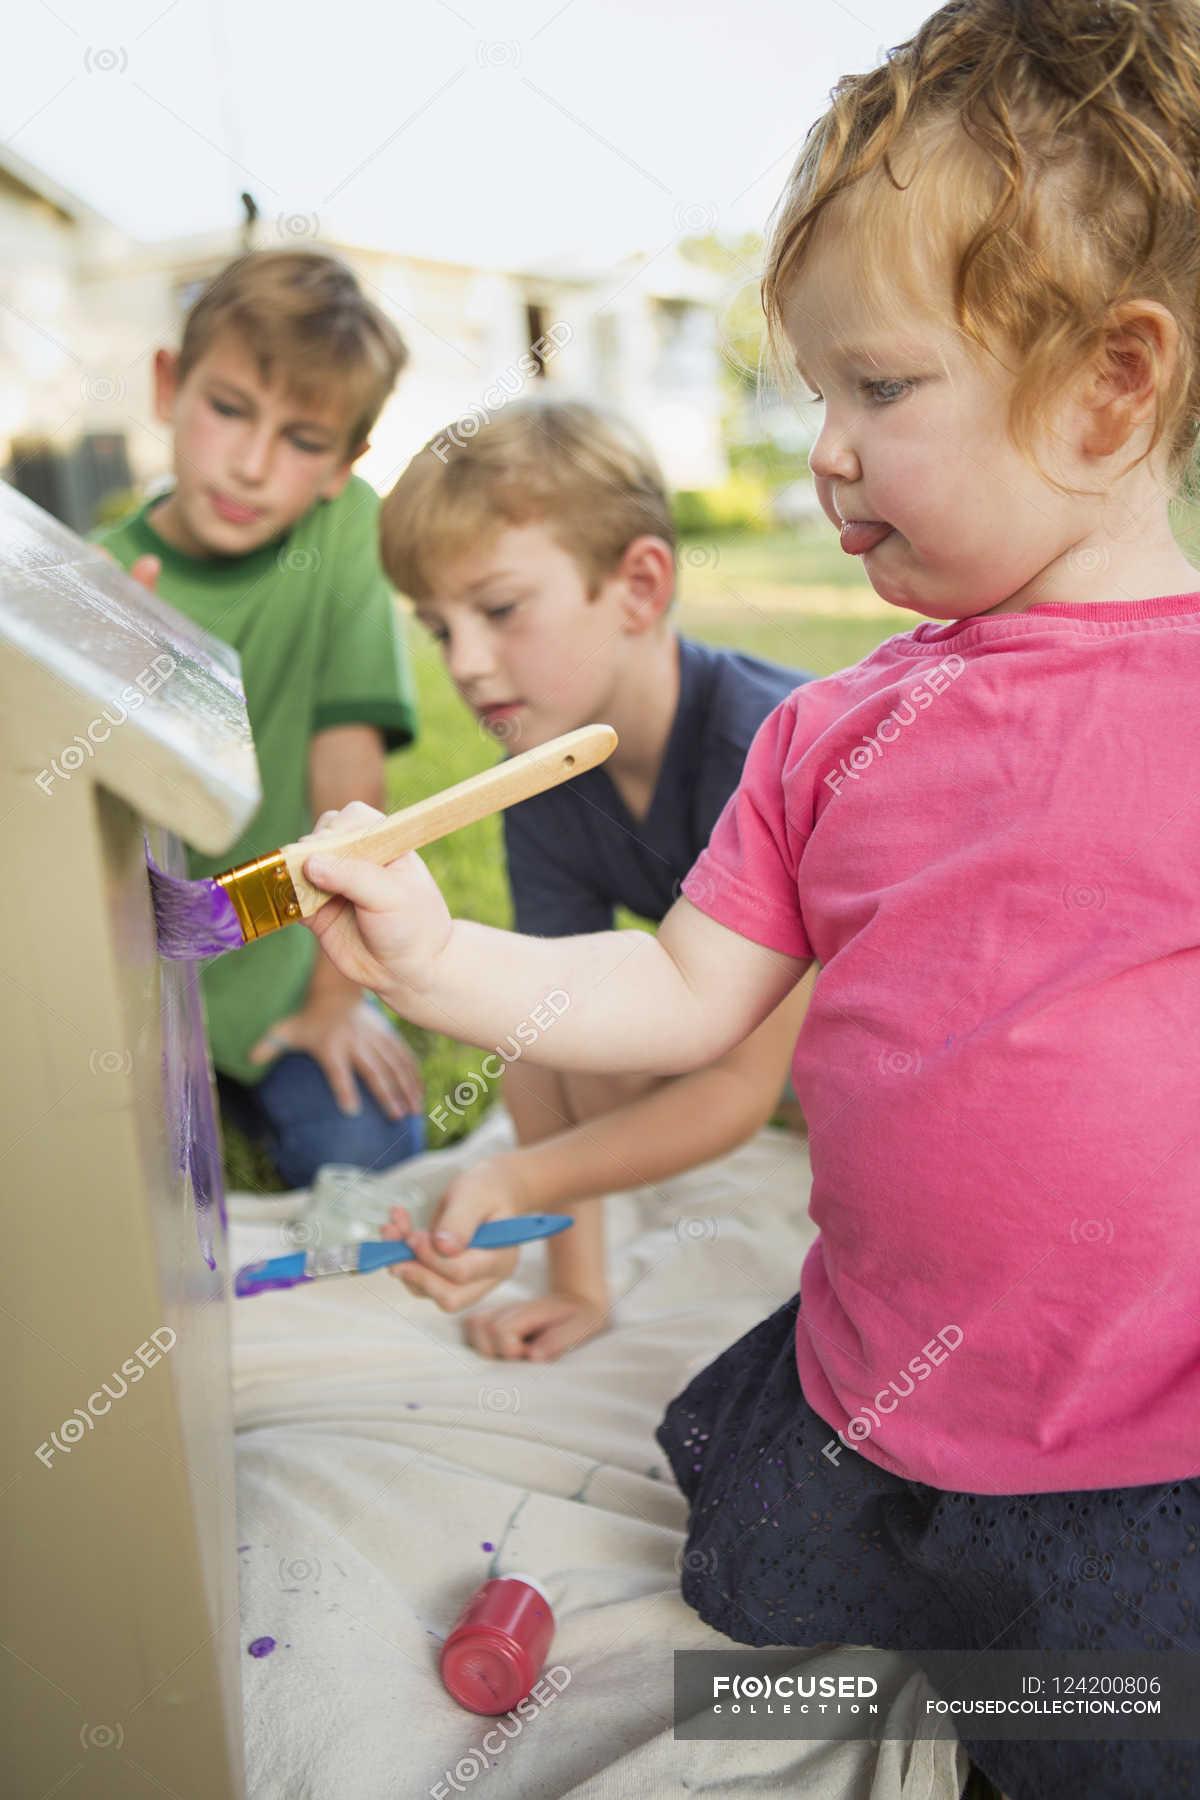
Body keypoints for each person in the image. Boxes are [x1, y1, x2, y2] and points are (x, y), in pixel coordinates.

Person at [296, 1, 1200, 1792]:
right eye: (816, 396)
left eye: (881, 388)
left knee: (1112, 1738)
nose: (826, 454)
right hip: (877, 1370)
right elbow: (680, 1001)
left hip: (1128, 1436)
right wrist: (434, 953)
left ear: (1112, 380)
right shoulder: (827, 740)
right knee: (746, 1578)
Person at [374, 397, 816, 1360]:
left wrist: (521, 1184)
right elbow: (534, 1026)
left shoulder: (767, 749)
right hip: (734, 1036)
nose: (466, 663)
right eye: (438, 628)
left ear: (639, 586)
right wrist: (576, 1282)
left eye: (497, 610)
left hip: (859, 1067)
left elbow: (739, 1091)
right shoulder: (539, 772)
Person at [98, 250, 427, 1188]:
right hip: (135, 974)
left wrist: (336, 995)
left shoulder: (343, 533)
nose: (251, 463)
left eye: (303, 440)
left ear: (344, 467)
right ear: (170, 385)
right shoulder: (94, 576)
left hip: (288, 952)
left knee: (367, 1152)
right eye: (230, 410)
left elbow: (348, 781)